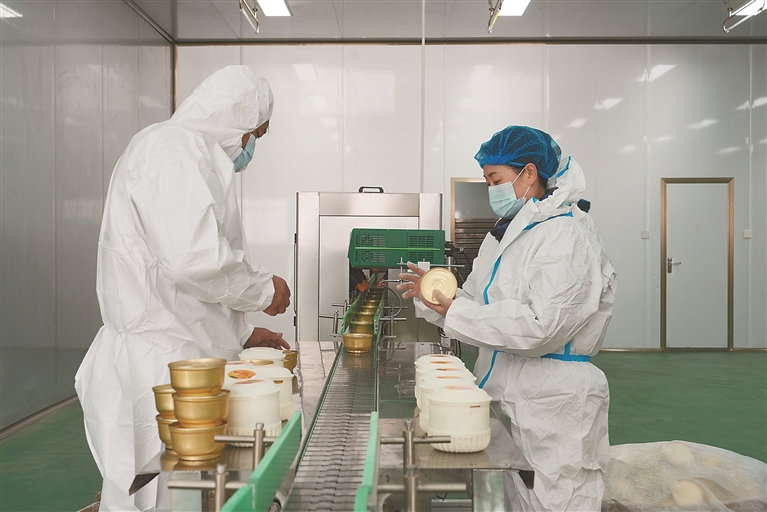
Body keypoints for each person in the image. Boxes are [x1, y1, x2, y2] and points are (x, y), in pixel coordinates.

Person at [75, 66, 291, 511]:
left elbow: (177, 285)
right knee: (161, 494)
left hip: (176, 354)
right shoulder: (172, 151)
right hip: (160, 368)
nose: (251, 148)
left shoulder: (189, 155)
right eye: (255, 134)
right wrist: (264, 291)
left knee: (178, 490)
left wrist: (241, 333)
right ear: (235, 120)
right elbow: (193, 260)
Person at [398, 126, 617, 511]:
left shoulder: (564, 233)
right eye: (487, 181)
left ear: (529, 173)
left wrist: (457, 311)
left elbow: (542, 326)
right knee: (514, 497)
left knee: (556, 498)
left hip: (554, 399)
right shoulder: (503, 235)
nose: (491, 190)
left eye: (496, 179)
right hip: (509, 389)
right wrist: (436, 299)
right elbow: (473, 302)